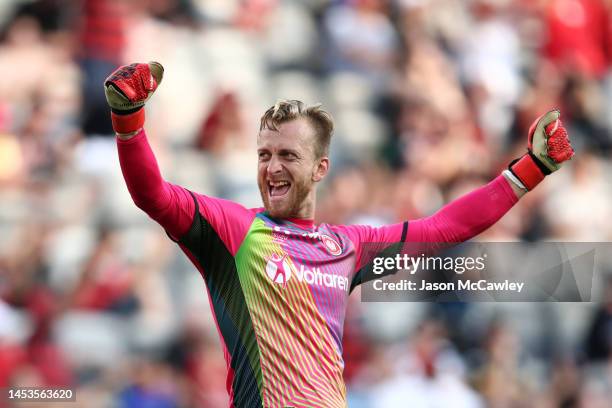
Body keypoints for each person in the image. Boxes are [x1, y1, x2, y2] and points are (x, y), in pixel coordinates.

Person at [104, 62, 574, 407]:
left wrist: (530, 169)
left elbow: (442, 229)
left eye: (287, 154)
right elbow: (154, 196)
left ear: (320, 168)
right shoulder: (234, 230)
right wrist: (129, 120)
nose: (271, 167)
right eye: (264, 154)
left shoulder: (346, 247)